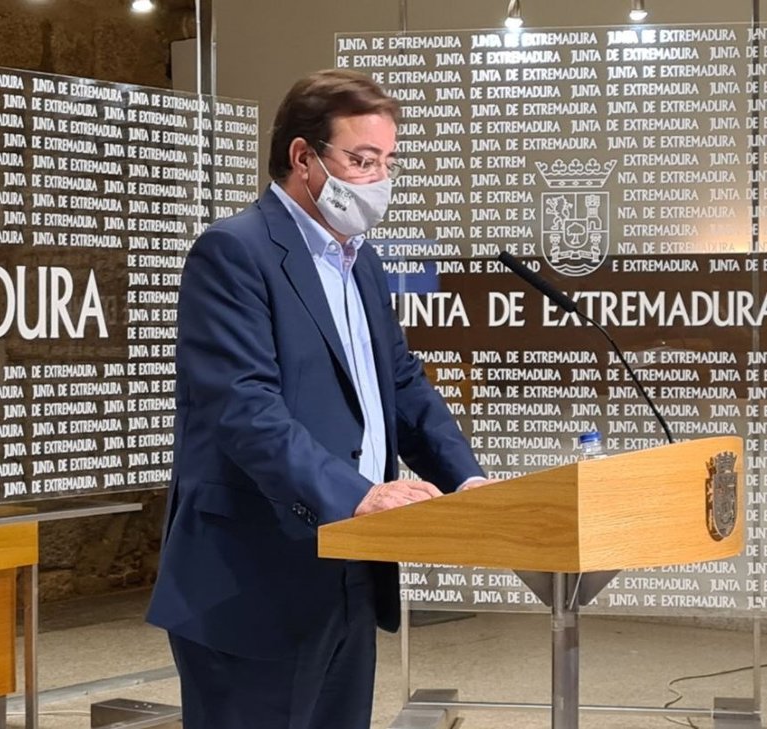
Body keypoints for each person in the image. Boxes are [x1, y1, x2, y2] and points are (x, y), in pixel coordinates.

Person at [146, 69, 488, 729]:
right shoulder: (234, 252)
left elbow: (400, 383)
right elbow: (245, 409)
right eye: (362, 160)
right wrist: (357, 495)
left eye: (387, 162)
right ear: (303, 157)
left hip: (350, 569)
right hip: (253, 581)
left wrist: (466, 479)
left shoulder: (361, 262)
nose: (379, 180)